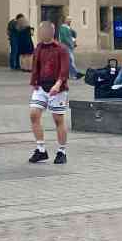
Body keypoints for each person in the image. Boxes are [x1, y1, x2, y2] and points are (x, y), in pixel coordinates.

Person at [28, 20, 70, 165]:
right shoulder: (39, 47)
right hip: (40, 86)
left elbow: (65, 70)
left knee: (58, 119)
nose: (41, 34)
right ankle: (41, 150)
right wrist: (34, 82)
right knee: (34, 114)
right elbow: (35, 65)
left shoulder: (61, 48)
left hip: (57, 88)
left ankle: (61, 151)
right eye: (40, 32)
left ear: (51, 32)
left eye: (43, 31)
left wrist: (58, 84)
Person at [57, 12, 82, 80]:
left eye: (70, 19)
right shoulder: (63, 28)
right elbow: (65, 38)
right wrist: (71, 44)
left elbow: (73, 35)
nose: (70, 20)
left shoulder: (67, 28)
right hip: (65, 46)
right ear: (65, 20)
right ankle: (75, 74)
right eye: (68, 19)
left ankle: (69, 74)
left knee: (68, 61)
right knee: (70, 60)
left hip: (68, 46)